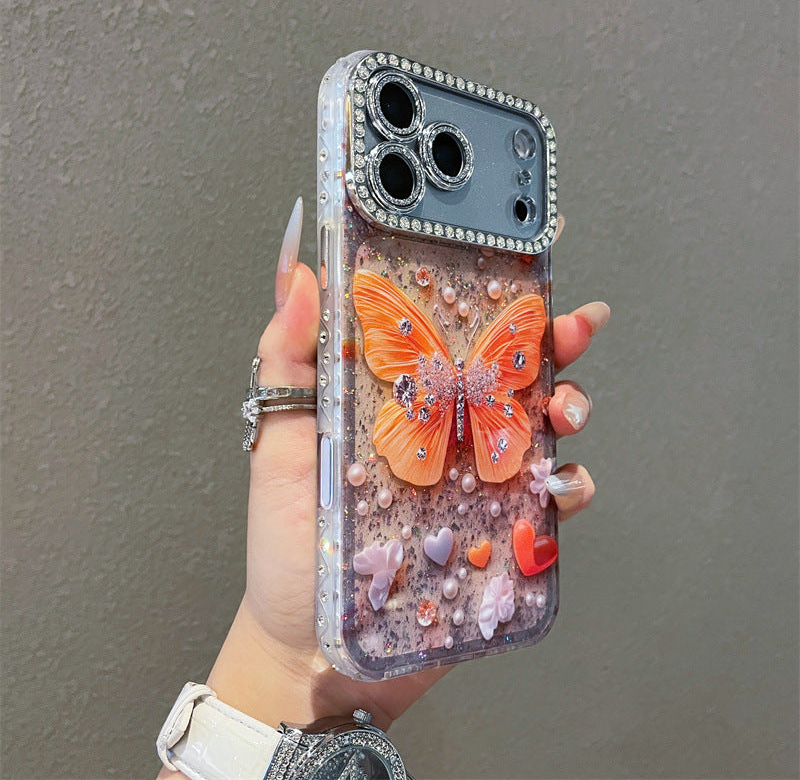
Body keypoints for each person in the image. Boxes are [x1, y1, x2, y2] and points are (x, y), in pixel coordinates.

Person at [157, 198, 610, 778]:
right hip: (453, 425)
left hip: (440, 420)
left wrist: (276, 674)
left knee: (531, 455)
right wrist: (282, 659)